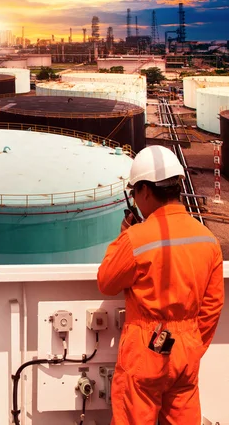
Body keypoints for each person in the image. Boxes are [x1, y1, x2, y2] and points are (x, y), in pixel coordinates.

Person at [98, 145, 224, 425]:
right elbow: (213, 305)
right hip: (187, 349)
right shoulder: (207, 240)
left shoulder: (136, 239)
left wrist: (123, 239)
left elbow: (107, 281)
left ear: (144, 190)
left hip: (146, 346)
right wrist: (190, 343)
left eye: (133, 193)